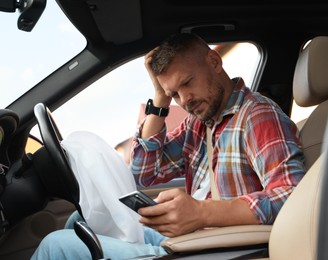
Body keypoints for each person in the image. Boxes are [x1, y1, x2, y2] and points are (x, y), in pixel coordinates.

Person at [32, 33, 305, 259]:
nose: (184, 100)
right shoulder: (200, 122)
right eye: (174, 93)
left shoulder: (257, 116)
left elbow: (292, 197)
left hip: (221, 249)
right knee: (80, 221)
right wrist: (160, 98)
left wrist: (200, 213)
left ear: (214, 61)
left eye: (187, 83)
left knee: (55, 245)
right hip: (195, 238)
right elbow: (143, 172)